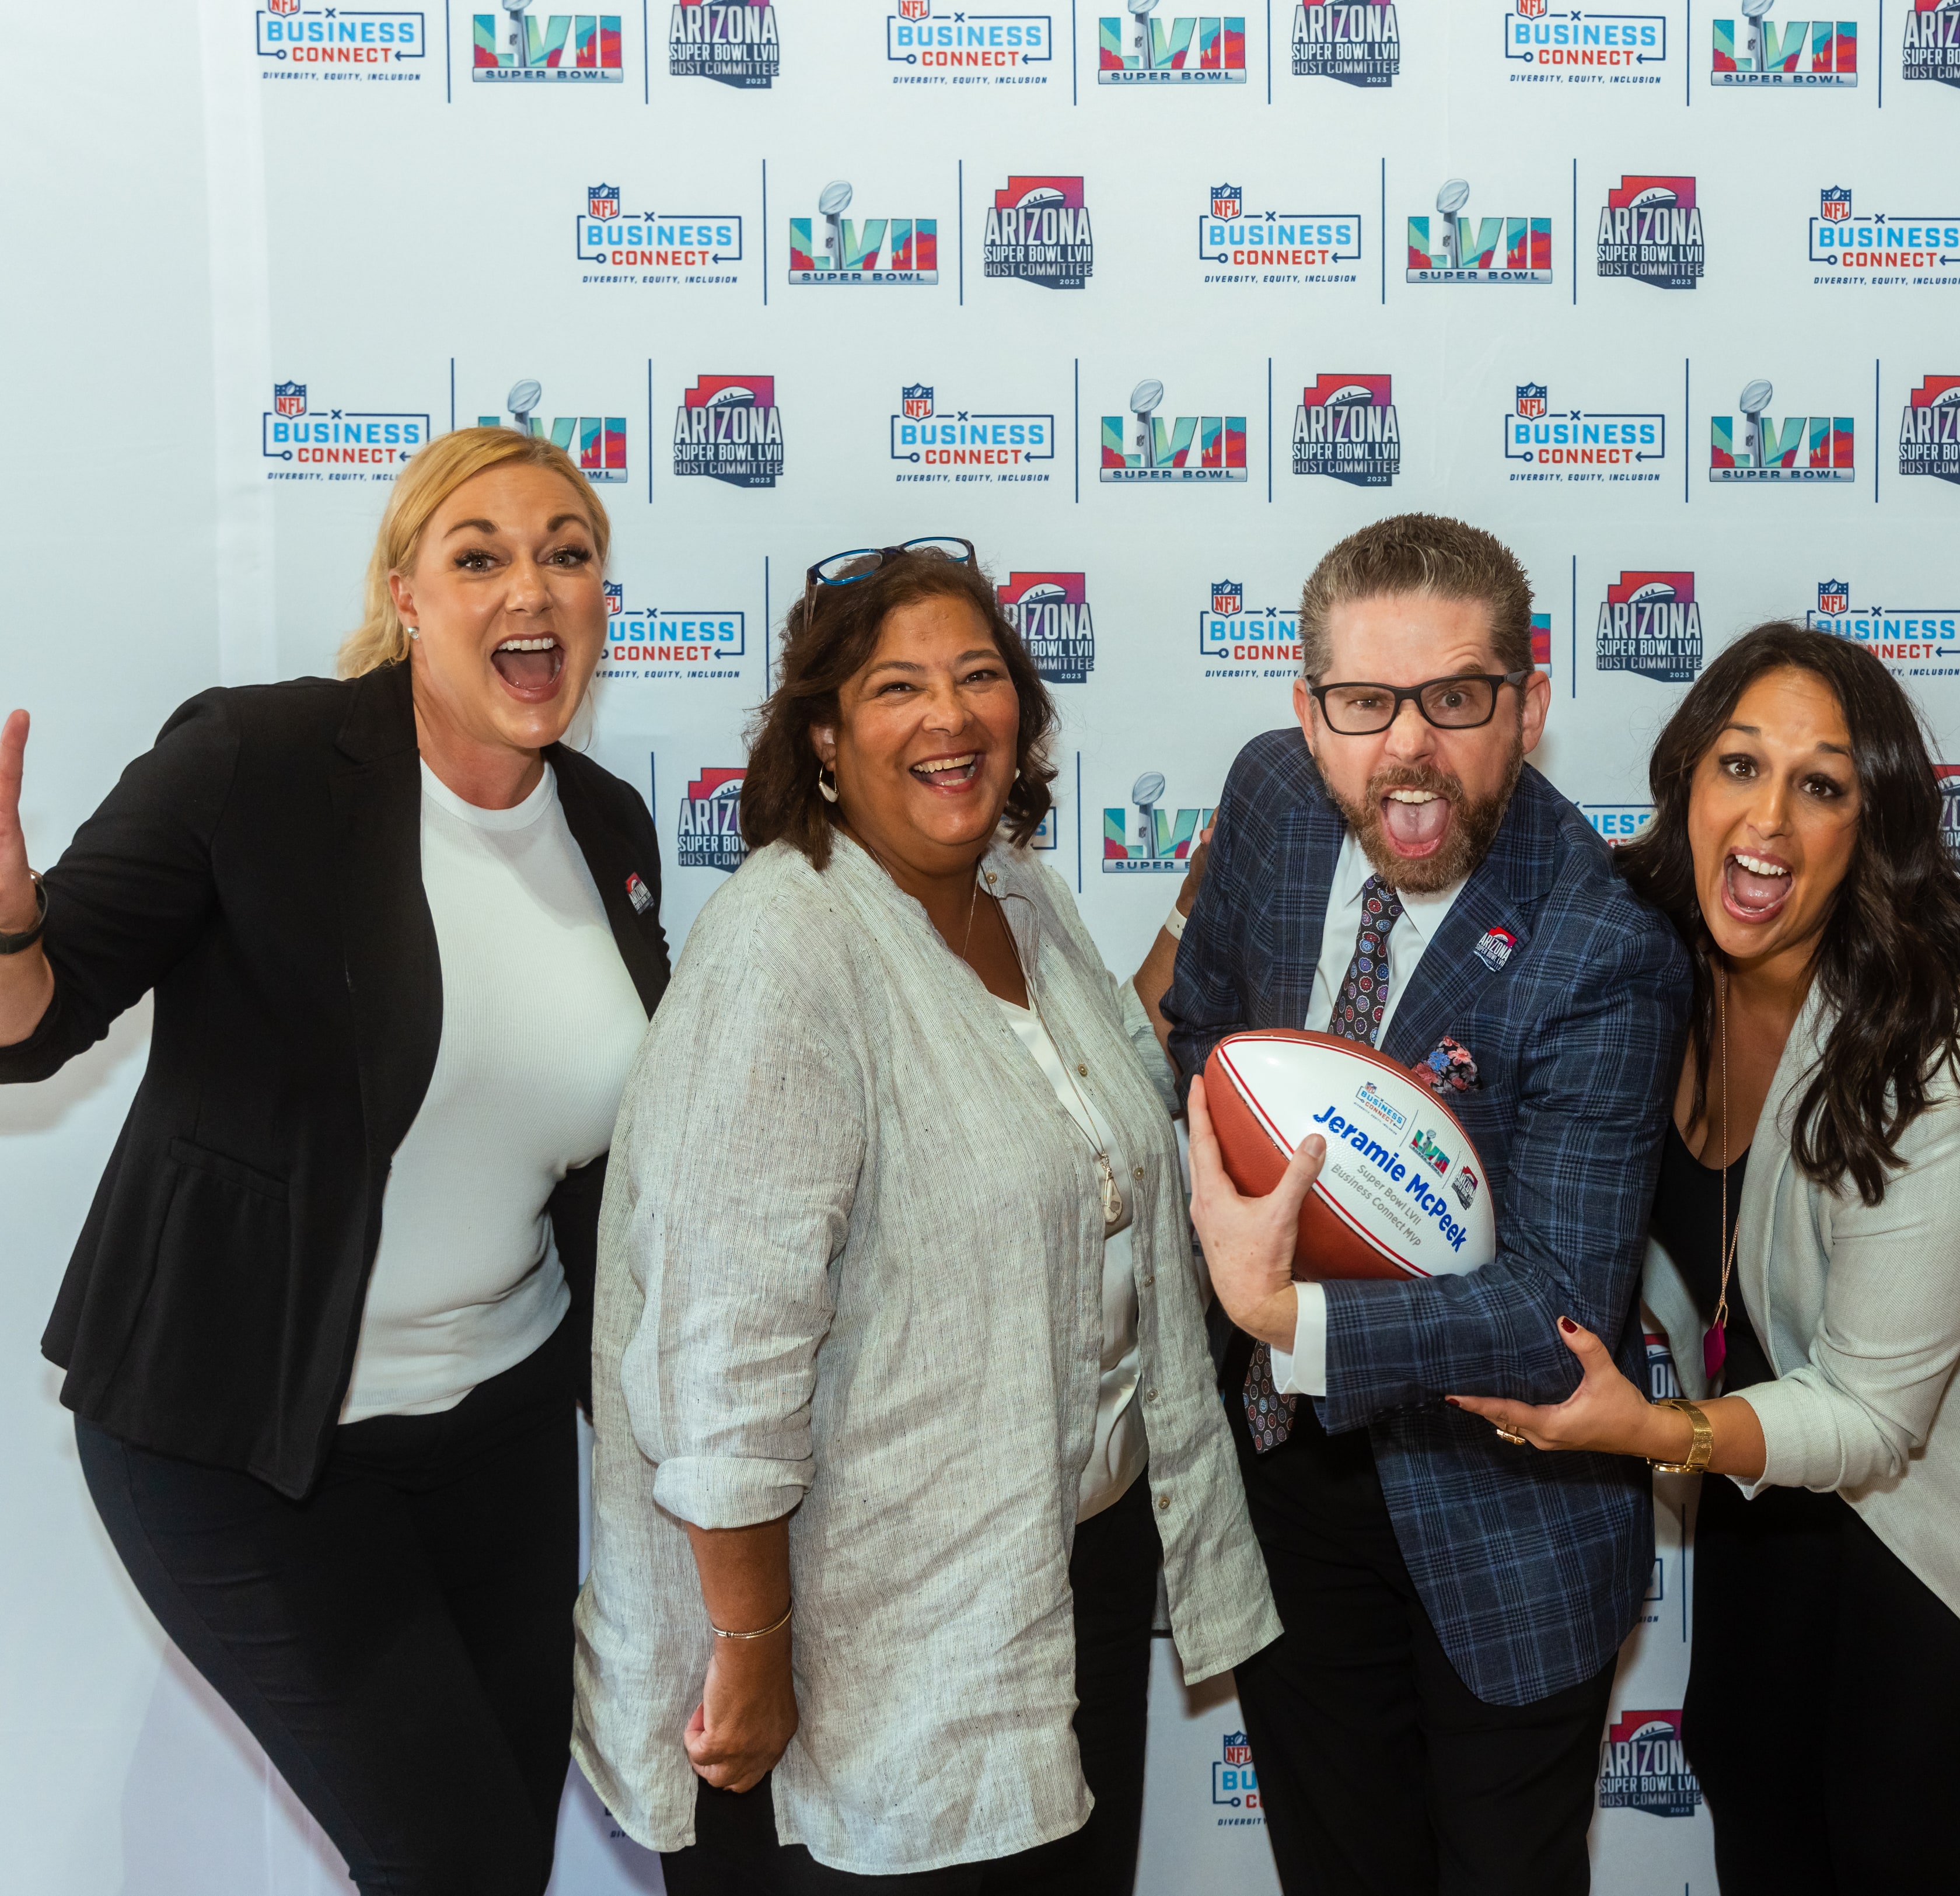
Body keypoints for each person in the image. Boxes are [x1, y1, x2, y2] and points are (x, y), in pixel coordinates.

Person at [0, 427, 667, 1893]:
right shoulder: (261, 762)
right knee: (449, 1863)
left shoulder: (608, 827)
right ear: (406, 594)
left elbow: (607, 1160)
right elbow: (37, 1023)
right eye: (478, 555)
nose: (531, 587)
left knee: (498, 1852)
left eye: (568, 553)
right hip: (240, 1435)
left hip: (495, 1427)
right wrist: (2, 924)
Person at [572, 538, 1276, 1895]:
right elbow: (718, 1363)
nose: (950, 716)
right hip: (868, 1638)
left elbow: (1079, 1099)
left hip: (1055, 1572)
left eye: (977, 677)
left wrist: (1203, 901)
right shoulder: (788, 948)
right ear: (824, 737)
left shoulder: (1018, 892)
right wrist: (757, 1643)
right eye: (898, 687)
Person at [1449, 624, 1960, 1895]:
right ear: (1685, 782)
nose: (1766, 817)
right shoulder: (1637, 954)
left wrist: (1646, 1430)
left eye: (1820, 784)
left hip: (1959, 1477)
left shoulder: (1943, 1053)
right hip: (1768, 1443)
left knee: (1886, 1845)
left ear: (1869, 826)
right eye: (1738, 765)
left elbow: (1875, 1416)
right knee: (1748, 1782)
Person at [1151, 513, 1687, 1896]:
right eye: (1363, 703)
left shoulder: (1598, 947)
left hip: (1501, 1512)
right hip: (1286, 1481)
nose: (1408, 748)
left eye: (1455, 700)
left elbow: (1558, 1304)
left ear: (1528, 703)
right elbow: (1201, 1035)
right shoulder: (1269, 800)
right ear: (1306, 711)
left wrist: (1286, 1309)